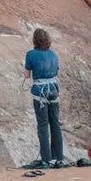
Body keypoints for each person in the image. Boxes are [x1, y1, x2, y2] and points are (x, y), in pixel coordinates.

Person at [24, 28, 64, 168]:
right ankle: (59, 158)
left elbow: (27, 75)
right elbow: (56, 70)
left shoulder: (30, 54)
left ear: (35, 40)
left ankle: (47, 159)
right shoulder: (53, 54)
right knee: (55, 124)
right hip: (53, 90)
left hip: (40, 92)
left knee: (42, 126)